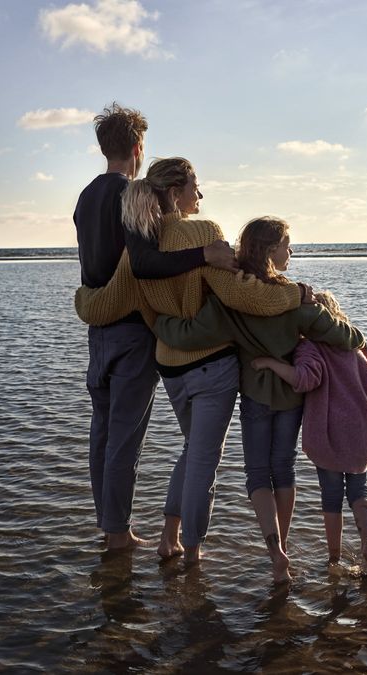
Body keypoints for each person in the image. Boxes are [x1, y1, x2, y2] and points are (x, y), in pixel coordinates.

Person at [73, 158, 312, 567]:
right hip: (212, 369)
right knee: (204, 461)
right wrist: (297, 295)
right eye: (195, 187)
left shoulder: (139, 249)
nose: (199, 196)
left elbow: (111, 301)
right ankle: (193, 553)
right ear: (174, 193)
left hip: (170, 370)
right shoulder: (203, 233)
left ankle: (169, 536)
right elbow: (244, 296)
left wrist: (82, 300)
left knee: (191, 451)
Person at [150, 216, 365, 583]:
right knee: (283, 469)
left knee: (256, 475)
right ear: (270, 250)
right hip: (290, 397)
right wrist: (357, 338)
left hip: (253, 395)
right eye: (286, 245)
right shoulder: (293, 297)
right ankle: (284, 544)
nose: (290, 251)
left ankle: (274, 549)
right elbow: (341, 334)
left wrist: (156, 321)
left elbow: (190, 335)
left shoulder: (230, 298)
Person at [75, 103, 239, 551]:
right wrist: (204, 255)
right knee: (124, 437)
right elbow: (146, 264)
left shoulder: (86, 197)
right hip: (131, 331)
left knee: (103, 431)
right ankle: (117, 534)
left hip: (99, 330)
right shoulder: (133, 195)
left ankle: (109, 526)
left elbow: (95, 265)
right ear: (138, 147)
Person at [252, 291, 367, 576]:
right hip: (360, 431)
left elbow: (305, 379)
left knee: (331, 496)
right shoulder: (354, 345)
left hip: (330, 434)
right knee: (359, 490)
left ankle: (334, 558)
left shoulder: (311, 347)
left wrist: (271, 363)